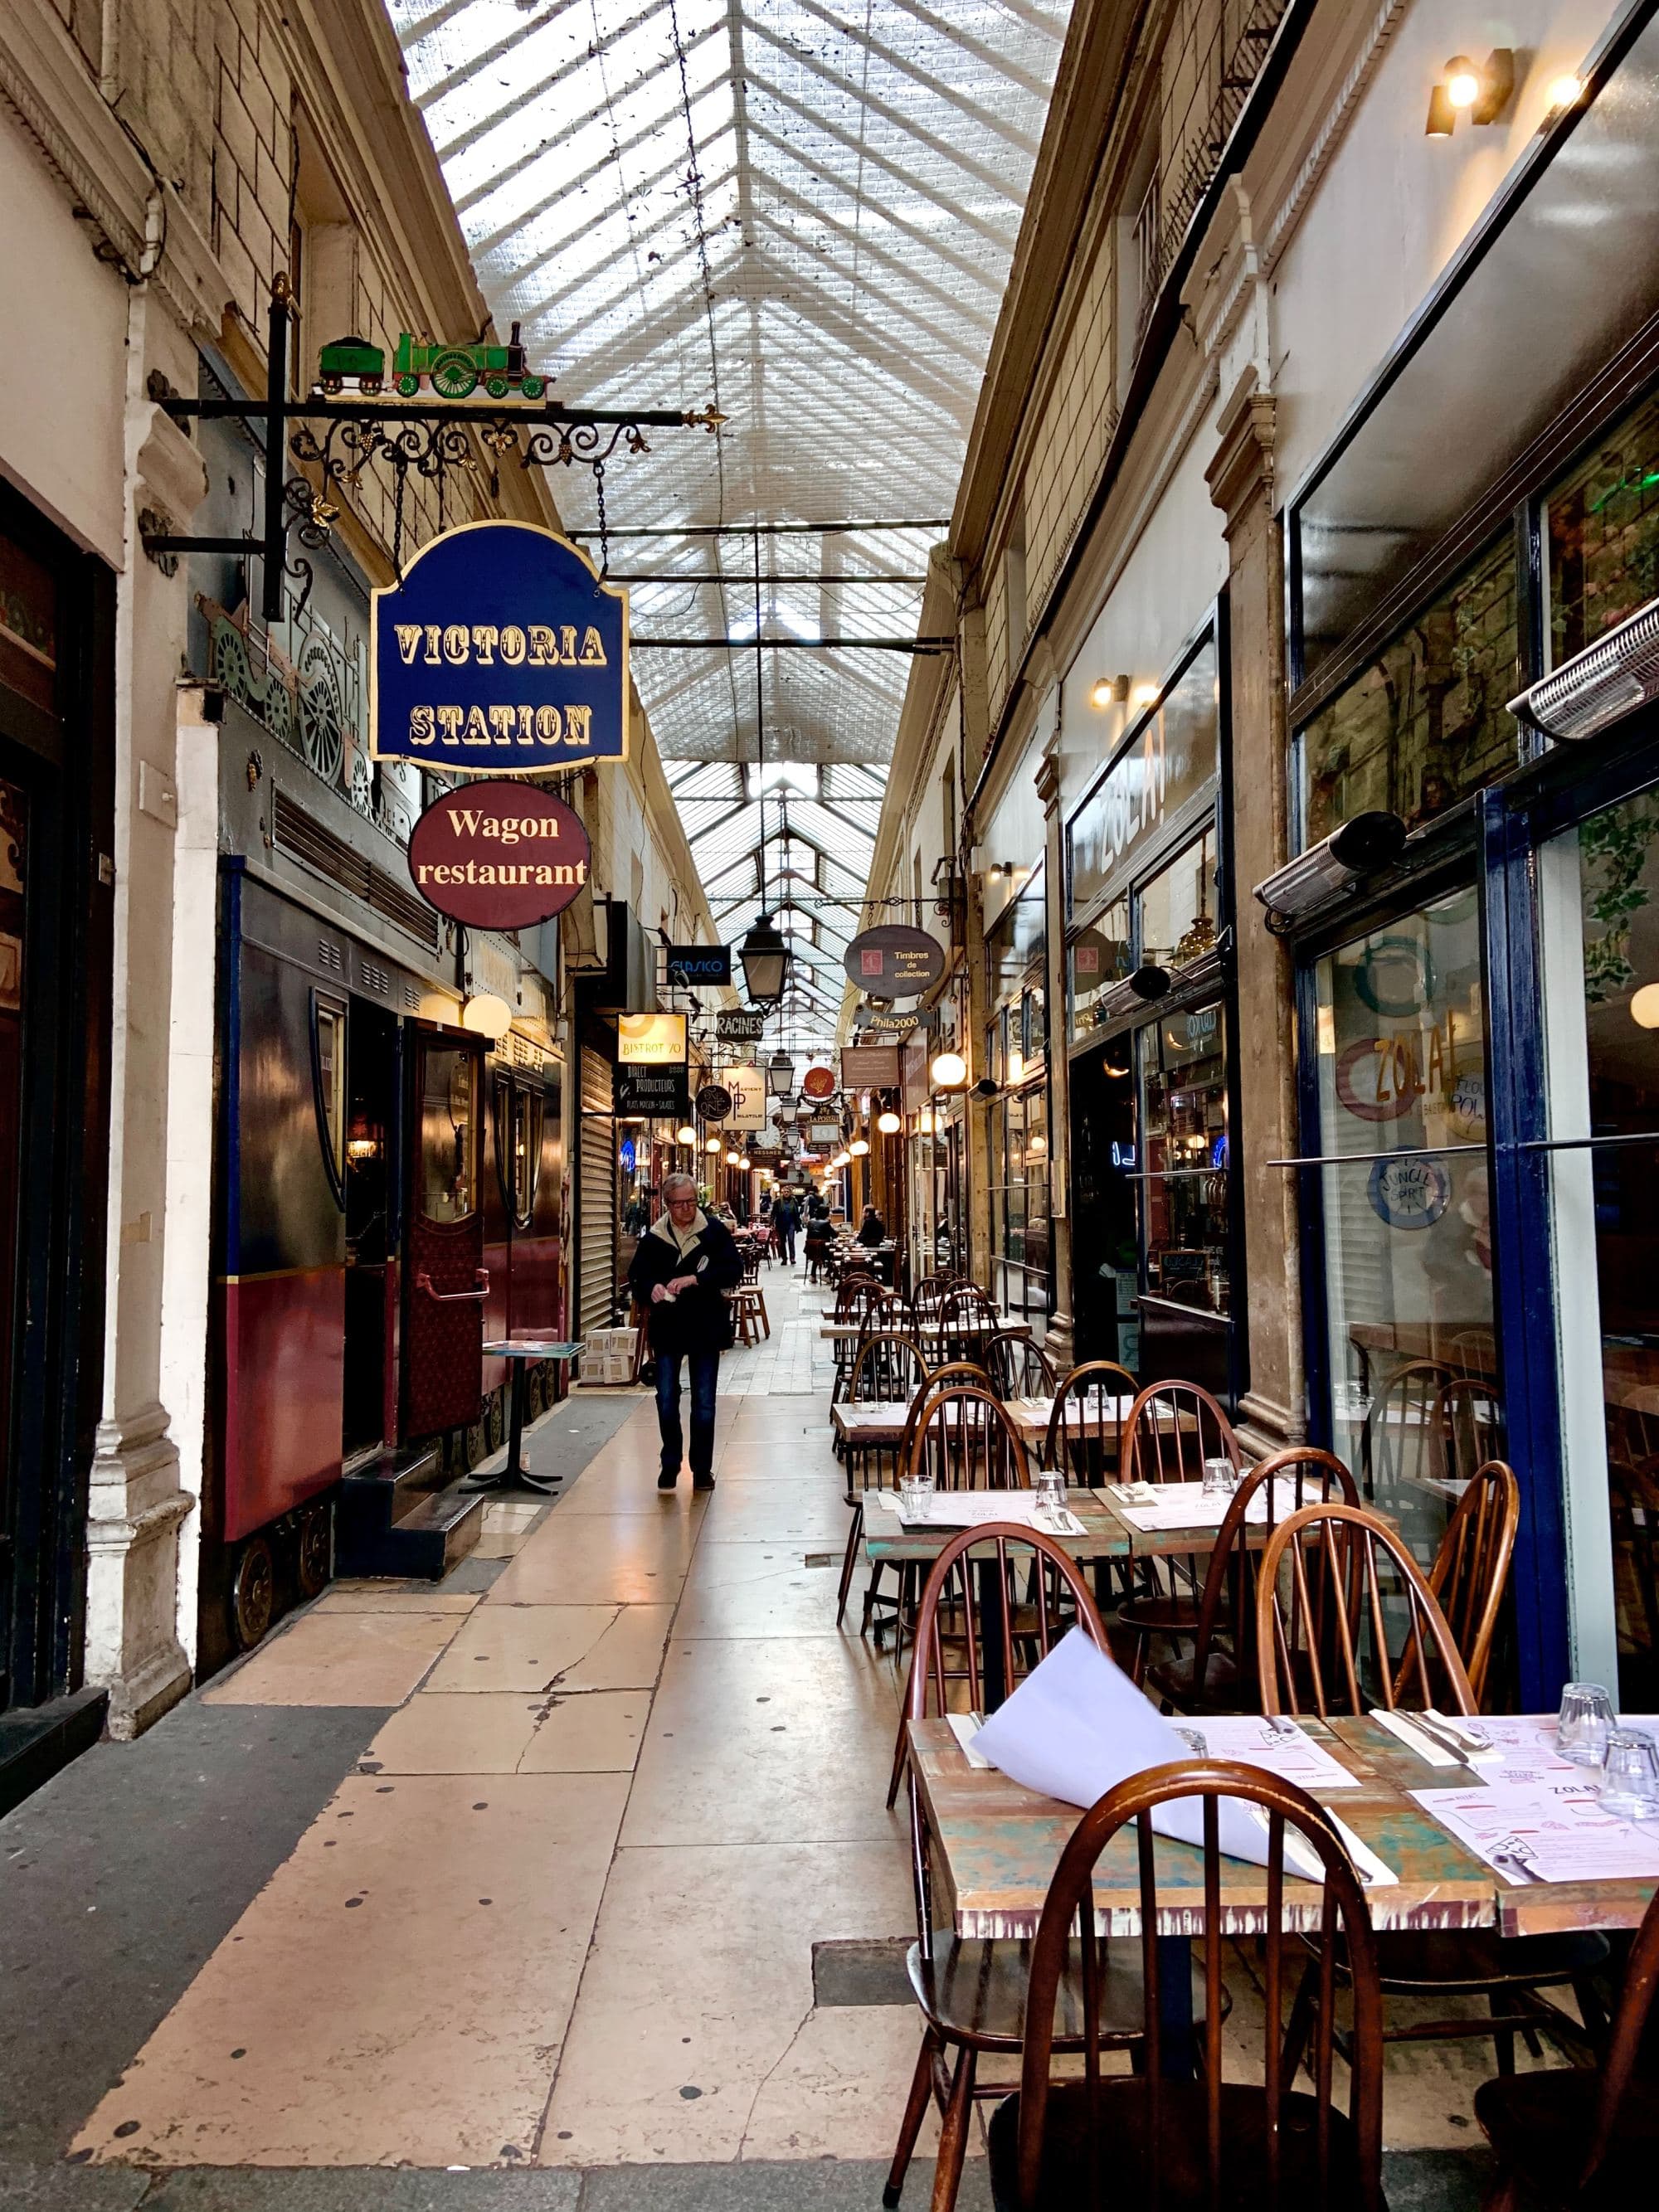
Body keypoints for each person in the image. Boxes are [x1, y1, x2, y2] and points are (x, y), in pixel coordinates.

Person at [626, 1172, 742, 1492]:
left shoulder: (713, 1232)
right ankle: (670, 1462)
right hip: (668, 1328)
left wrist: (696, 1279)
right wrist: (651, 1288)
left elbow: (733, 1269)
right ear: (667, 1205)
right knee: (666, 1398)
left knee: (704, 1401)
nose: (687, 1209)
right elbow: (636, 1277)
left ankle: (702, 1469)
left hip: (705, 1325)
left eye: (692, 1202)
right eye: (680, 1204)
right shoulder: (655, 1238)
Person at [771, 1191, 798, 1266]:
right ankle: (784, 1259)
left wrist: (798, 1223)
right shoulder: (778, 1201)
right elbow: (773, 1213)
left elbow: (797, 1213)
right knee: (782, 1242)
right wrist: (771, 1222)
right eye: (785, 1192)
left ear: (790, 1193)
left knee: (791, 1241)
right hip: (781, 1224)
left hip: (791, 1224)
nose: (786, 1193)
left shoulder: (794, 1201)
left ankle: (792, 1258)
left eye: (788, 1192)